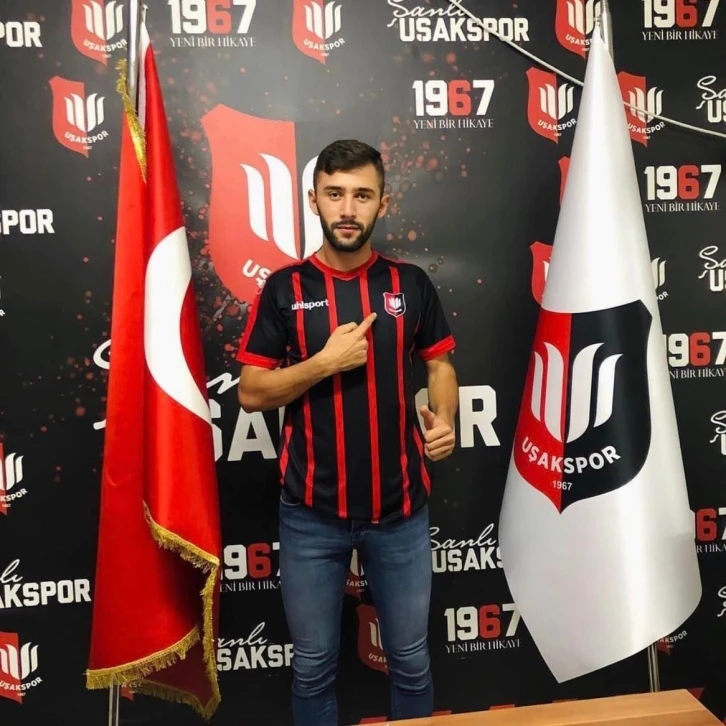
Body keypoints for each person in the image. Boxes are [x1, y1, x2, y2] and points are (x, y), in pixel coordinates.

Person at [236, 139, 459, 726]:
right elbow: (251, 392)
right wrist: (323, 364)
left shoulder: (410, 283)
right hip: (311, 515)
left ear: (383, 203)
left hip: (400, 512)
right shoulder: (285, 288)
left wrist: (445, 419)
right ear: (314, 200)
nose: (347, 209)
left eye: (362, 195)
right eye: (335, 194)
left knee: (411, 662)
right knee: (312, 666)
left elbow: (439, 364)